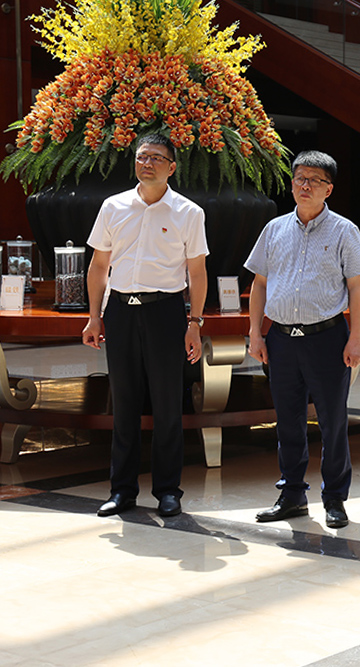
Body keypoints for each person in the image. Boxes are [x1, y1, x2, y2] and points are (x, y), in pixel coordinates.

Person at [83, 133, 209, 518]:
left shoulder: (189, 213)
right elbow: (99, 266)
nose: (147, 163)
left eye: (156, 157)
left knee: (168, 403)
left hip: (165, 312)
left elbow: (197, 272)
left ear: (172, 167)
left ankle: (168, 490)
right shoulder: (113, 206)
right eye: (141, 157)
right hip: (121, 310)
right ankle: (122, 490)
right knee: (124, 403)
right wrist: (94, 316)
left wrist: (194, 323)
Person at [245, 151, 360, 529]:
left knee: (332, 421)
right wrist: (255, 332)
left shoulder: (344, 230)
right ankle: (292, 495)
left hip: (327, 338)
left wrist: (356, 339)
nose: (305, 185)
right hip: (281, 338)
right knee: (288, 421)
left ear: (329, 189)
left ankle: (335, 499)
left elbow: (356, 287)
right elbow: (259, 284)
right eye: (300, 178)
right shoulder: (274, 229)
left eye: (314, 180)